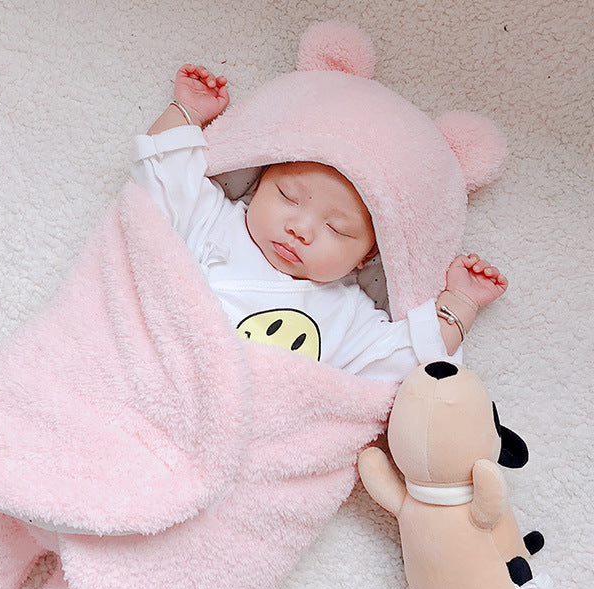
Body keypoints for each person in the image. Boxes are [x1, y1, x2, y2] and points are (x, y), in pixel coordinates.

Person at [131, 65, 507, 381]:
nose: (301, 229)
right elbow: (162, 180)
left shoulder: (348, 315)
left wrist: (459, 303)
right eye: (288, 197)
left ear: (369, 255)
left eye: (337, 229)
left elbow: (412, 359)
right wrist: (185, 113)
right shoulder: (215, 222)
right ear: (259, 181)